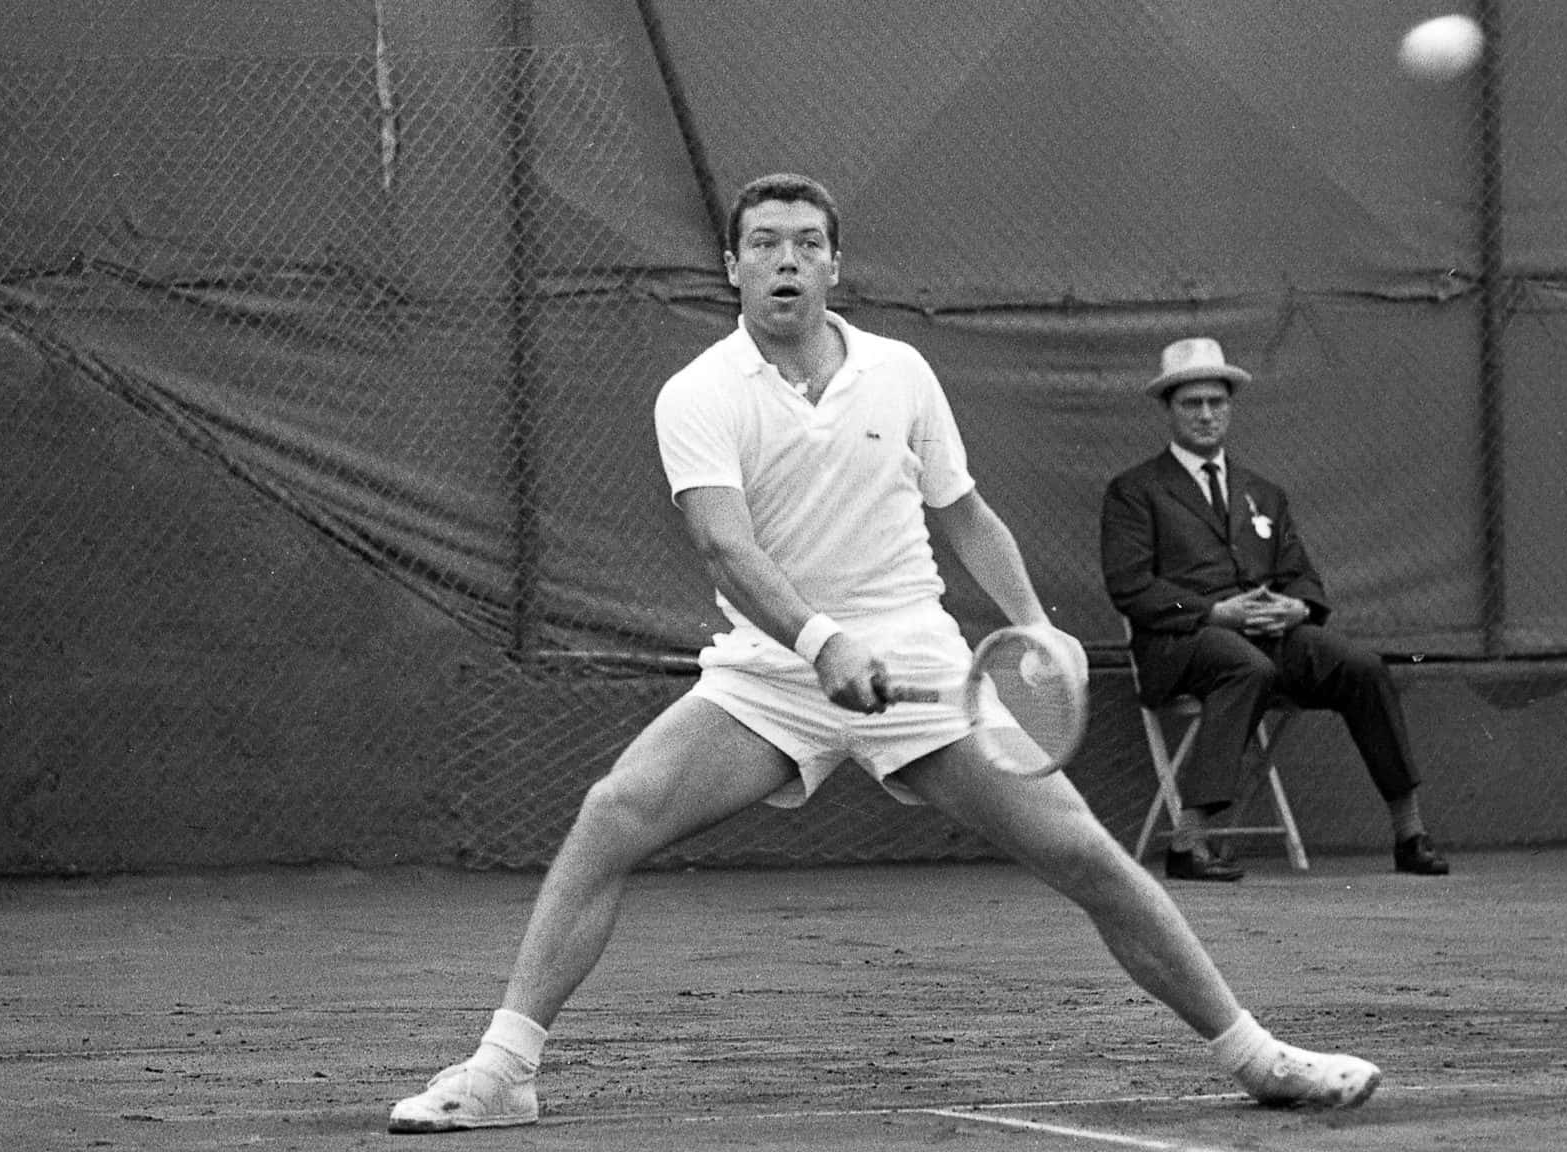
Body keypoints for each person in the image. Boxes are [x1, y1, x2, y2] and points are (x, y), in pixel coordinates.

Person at [386, 176, 1380, 1133]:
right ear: (731, 266)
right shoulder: (697, 394)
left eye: (806, 244)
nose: (785, 261)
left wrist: (1032, 624)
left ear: (834, 264)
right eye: (764, 244)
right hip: (770, 671)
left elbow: (965, 513)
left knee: (1084, 856)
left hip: (920, 665)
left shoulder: (900, 373)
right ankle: (502, 1074)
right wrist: (821, 644)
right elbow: (725, 547)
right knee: (614, 813)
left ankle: (1257, 1057)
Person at [1100, 337, 1451, 883]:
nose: (1206, 414)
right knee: (1247, 667)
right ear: (1168, 410)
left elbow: (1302, 575)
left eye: (1217, 402)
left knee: (1362, 667)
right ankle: (1187, 843)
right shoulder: (1135, 490)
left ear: (1230, 408)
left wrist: (1296, 608)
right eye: (1192, 404)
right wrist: (1212, 613)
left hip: (1266, 637)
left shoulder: (1263, 492)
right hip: (1182, 643)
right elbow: (1132, 586)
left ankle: (1410, 833)